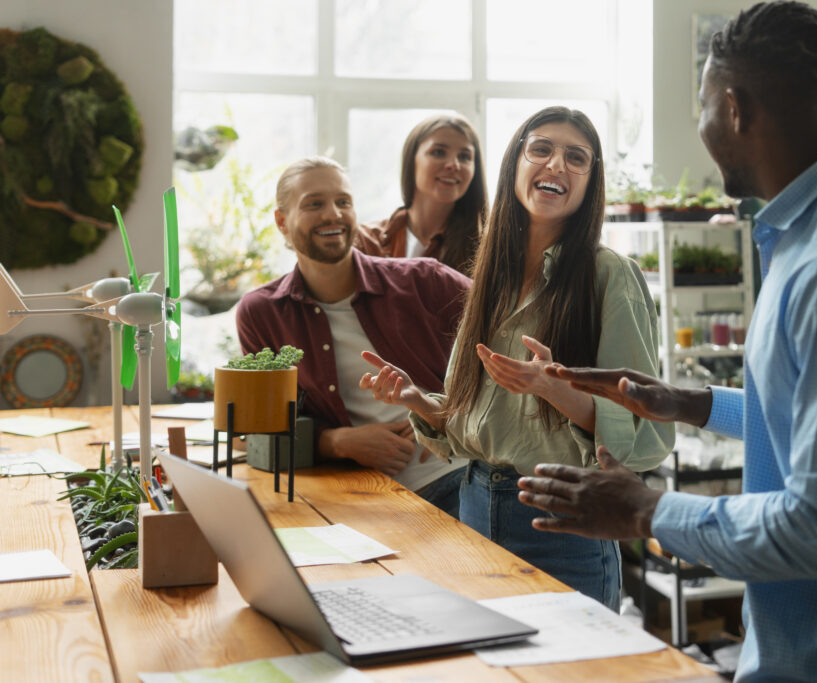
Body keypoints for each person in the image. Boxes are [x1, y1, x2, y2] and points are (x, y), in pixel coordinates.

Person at [517, 3, 817, 680]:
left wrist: (645, 507)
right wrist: (692, 403)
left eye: (705, 107)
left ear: (735, 109)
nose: (704, 125)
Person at [359, 106, 674, 610]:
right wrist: (418, 400)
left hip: (563, 526)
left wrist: (554, 388)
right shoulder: (491, 276)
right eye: (541, 149)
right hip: (473, 509)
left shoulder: (610, 277)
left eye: (577, 158)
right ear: (514, 166)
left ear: (590, 183)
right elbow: (479, 423)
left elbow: (647, 436)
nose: (556, 165)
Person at [236, 157, 471, 517]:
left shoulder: (426, 280)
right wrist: (337, 442)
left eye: (343, 202)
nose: (334, 214)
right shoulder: (261, 313)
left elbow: (509, 338)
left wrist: (447, 411)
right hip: (358, 493)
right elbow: (255, 431)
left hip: (457, 478)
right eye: (314, 203)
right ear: (282, 221)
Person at [353, 113, 487, 276]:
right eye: (438, 152)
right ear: (412, 160)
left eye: (465, 156)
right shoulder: (364, 241)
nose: (454, 165)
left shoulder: (488, 250)